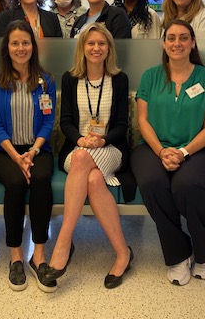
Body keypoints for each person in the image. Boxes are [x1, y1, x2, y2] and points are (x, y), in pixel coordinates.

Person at [131, 19, 205, 286]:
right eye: (171, 38)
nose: (177, 43)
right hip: (153, 147)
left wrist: (182, 152)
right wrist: (161, 151)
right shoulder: (150, 76)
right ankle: (178, 254)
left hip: (200, 149)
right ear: (163, 43)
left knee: (187, 184)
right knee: (152, 182)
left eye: (184, 38)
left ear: (193, 43)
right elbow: (143, 121)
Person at [44, 23, 134, 290]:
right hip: (78, 148)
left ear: (109, 48)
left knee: (86, 161)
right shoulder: (70, 78)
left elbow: (121, 125)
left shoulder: (119, 78)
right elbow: (66, 122)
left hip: (111, 148)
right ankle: (123, 253)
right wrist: (81, 140)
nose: (96, 48)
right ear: (82, 47)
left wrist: (102, 140)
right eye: (91, 43)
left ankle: (62, 243)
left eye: (102, 44)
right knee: (93, 178)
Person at [0, 20, 57, 292]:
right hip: (4, 150)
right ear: (7, 47)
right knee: (15, 182)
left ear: (33, 47)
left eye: (25, 42)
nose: (20, 47)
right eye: (15, 43)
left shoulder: (45, 80)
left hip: (38, 148)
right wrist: (17, 156)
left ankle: (38, 256)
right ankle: (15, 256)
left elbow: (49, 124)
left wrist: (33, 151)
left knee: (40, 179)